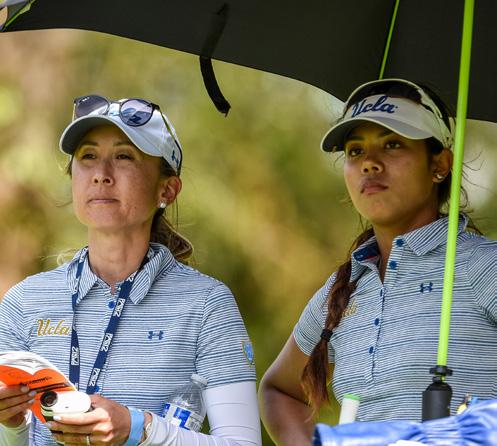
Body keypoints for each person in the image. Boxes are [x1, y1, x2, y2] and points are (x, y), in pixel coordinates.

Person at [0, 95, 262, 446]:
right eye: (88, 156)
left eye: (124, 156)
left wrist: (139, 429)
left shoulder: (208, 304)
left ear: (167, 189)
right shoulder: (24, 301)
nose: (101, 175)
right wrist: (12, 425)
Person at [258, 78, 497, 445]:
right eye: (355, 151)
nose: (369, 163)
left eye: (393, 144)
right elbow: (278, 390)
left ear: (440, 164)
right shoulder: (342, 290)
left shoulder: (482, 266)